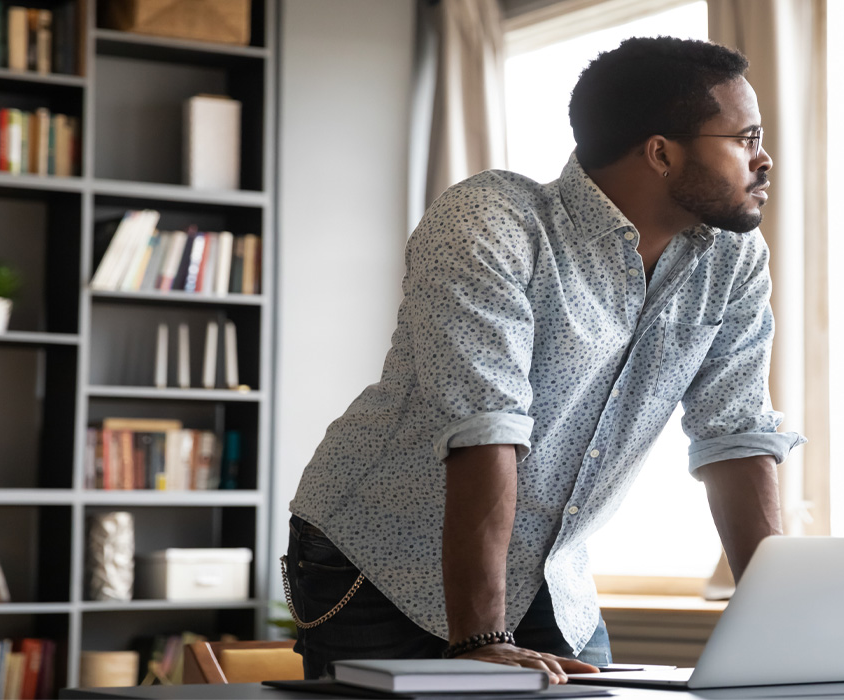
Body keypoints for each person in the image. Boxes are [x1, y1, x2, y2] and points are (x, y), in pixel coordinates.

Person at [284, 36, 804, 684]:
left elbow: (736, 435)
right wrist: (481, 639)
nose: (765, 160)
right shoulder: (491, 221)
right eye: (745, 138)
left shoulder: (732, 260)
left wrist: (786, 635)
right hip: (383, 560)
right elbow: (485, 426)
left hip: (552, 573)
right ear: (662, 152)